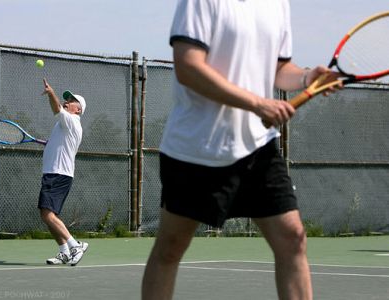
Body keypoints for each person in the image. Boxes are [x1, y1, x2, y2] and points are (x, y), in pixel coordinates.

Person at [141, 0, 340, 299]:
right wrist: (258, 103)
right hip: (198, 148)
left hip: (258, 146)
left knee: (293, 238)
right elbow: (188, 66)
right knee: (170, 248)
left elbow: (278, 67)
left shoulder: (277, 4)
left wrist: (305, 77)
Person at [38, 78, 89, 266]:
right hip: (53, 174)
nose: (67, 101)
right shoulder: (63, 125)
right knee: (48, 215)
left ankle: (75, 245)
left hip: (59, 174)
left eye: (72, 100)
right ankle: (64, 251)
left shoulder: (72, 121)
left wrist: (51, 93)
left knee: (48, 215)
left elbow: (57, 108)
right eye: (67, 98)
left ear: (78, 110)